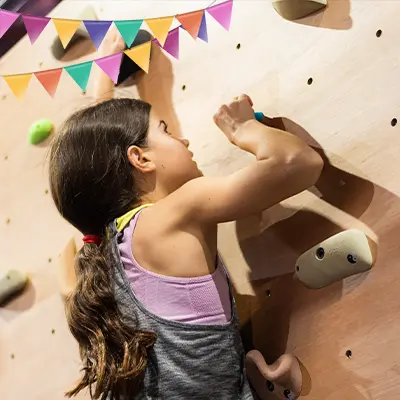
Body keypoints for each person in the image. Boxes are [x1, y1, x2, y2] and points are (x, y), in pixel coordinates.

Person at [49, 28, 323, 400]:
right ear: (139, 159)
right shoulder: (178, 212)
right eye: (165, 131)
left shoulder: (109, 252)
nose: (183, 139)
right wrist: (243, 128)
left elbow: (103, 161)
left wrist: (104, 81)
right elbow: (299, 163)